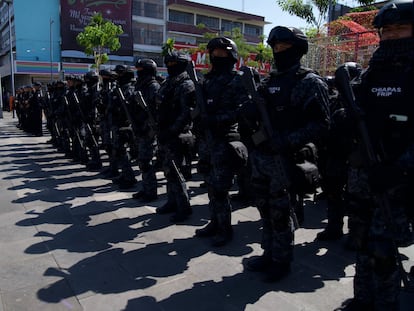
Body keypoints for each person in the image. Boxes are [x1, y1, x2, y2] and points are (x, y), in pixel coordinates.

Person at [337, 1, 414, 310]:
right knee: (362, 243)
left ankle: (386, 304)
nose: (392, 35)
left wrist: (401, 168)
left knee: (384, 251)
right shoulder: (373, 71)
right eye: (387, 30)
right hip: (366, 175)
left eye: (401, 28)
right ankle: (362, 299)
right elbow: (354, 110)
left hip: (399, 180)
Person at [243, 26, 330, 281]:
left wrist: (286, 140)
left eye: (284, 47)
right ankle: (268, 252)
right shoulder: (269, 81)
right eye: (276, 47)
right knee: (265, 210)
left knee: (281, 213)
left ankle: (281, 260)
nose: (278, 51)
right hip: (262, 158)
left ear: (298, 50)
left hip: (285, 157)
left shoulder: (310, 82)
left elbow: (322, 125)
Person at [193, 37, 249, 247]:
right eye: (214, 53)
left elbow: (244, 110)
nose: (217, 57)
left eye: (222, 53)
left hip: (225, 139)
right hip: (207, 141)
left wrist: (217, 119)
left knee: (221, 188)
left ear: (231, 55)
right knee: (209, 184)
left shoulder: (237, 80)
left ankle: (225, 228)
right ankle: (214, 221)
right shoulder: (206, 81)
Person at [155, 50, 194, 222]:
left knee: (177, 173)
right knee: (168, 172)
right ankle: (172, 201)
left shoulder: (186, 84)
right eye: (168, 64)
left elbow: (186, 113)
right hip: (164, 132)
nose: (170, 67)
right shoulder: (168, 82)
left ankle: (183, 206)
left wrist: (171, 131)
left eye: (174, 64)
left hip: (177, 134)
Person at [131, 58, 160, 202]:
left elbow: (155, 111)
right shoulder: (141, 86)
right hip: (140, 128)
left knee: (146, 162)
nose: (138, 74)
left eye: (141, 71)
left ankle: (151, 191)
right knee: (142, 161)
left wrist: (149, 128)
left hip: (148, 129)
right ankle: (145, 188)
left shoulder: (153, 86)